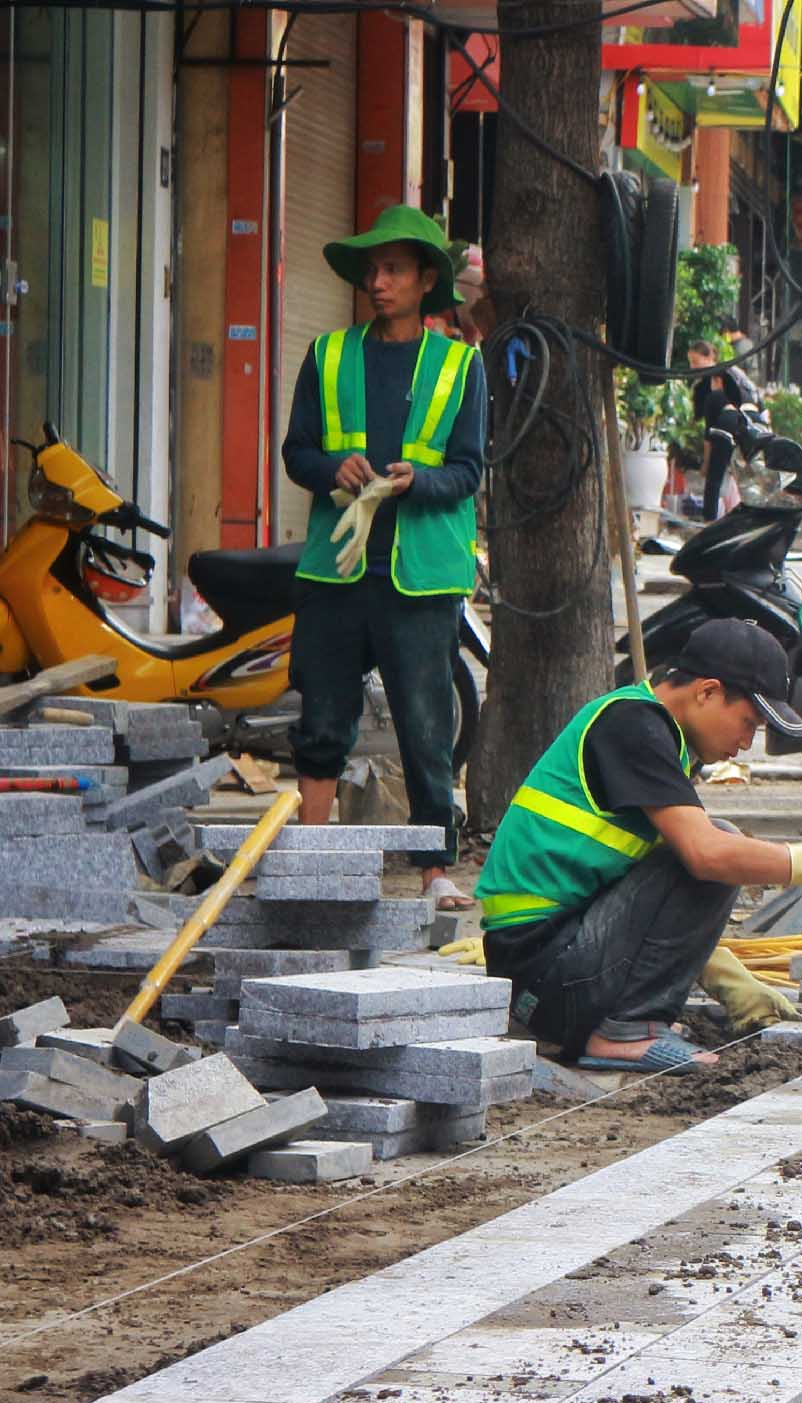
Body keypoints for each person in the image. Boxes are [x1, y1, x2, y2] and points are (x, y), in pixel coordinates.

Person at [476, 620, 802, 1072]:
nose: (746, 744)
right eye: (748, 723)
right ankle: (623, 1031)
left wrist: (723, 974)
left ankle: (619, 1020)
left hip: (547, 968)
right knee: (718, 844)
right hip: (543, 977)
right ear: (706, 692)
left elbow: (653, 893)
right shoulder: (632, 726)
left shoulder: (653, 732)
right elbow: (705, 856)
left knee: (715, 835)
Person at [279, 204, 486, 911]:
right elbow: (296, 453)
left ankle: (433, 871)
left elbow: (467, 471)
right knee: (323, 721)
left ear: (427, 280)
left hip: (420, 575)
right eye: (371, 269)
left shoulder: (462, 367)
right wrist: (332, 466)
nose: (377, 281)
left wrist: (414, 481)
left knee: (426, 726)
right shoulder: (328, 355)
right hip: (336, 570)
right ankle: (310, 852)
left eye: (393, 268)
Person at [687, 337, 761, 521]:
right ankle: (750, 518)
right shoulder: (710, 384)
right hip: (753, 422)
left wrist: (705, 463)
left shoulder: (716, 389)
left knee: (714, 477)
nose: (692, 367)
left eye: (695, 362)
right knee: (751, 476)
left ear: (709, 357)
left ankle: (709, 521)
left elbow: (709, 435)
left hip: (732, 423)